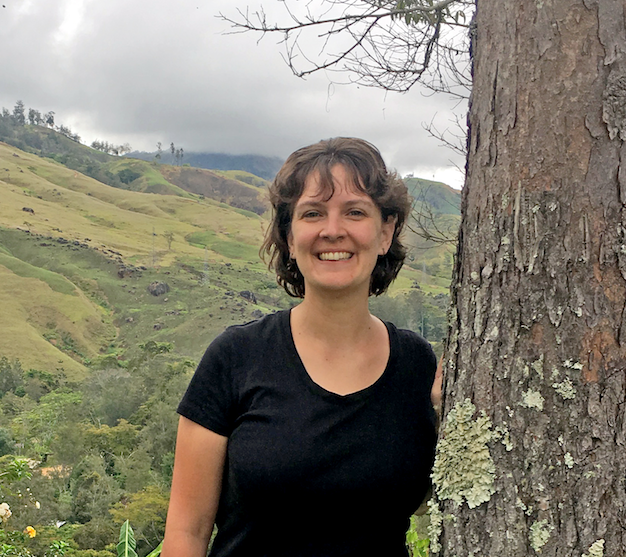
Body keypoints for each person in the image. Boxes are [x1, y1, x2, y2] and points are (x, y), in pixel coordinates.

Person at [163, 137, 441, 557]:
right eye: (313, 213)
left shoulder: (418, 367)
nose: (333, 230)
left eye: (354, 212)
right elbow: (187, 533)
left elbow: (418, 503)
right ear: (290, 239)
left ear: (386, 232)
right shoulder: (236, 357)